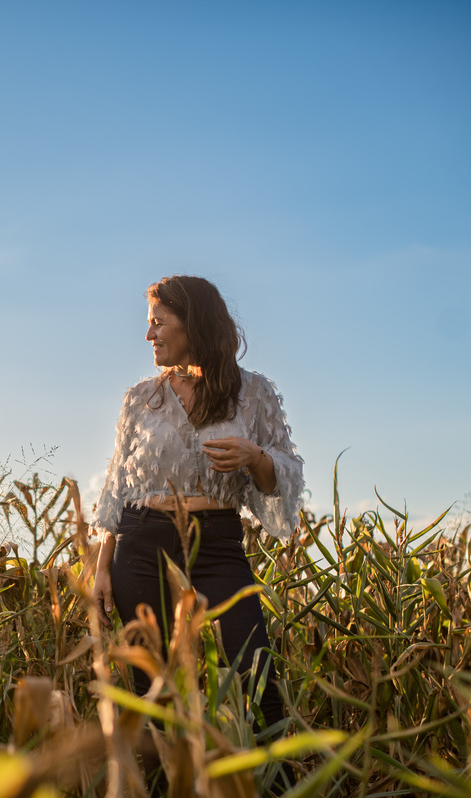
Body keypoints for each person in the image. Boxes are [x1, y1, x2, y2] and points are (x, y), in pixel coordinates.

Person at [91, 274, 303, 733]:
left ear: (195, 325)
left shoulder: (254, 393)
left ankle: (275, 784)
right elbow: (117, 486)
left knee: (255, 675)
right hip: (141, 542)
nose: (148, 335)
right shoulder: (140, 399)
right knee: (154, 690)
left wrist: (255, 456)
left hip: (217, 543)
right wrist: (103, 565)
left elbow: (283, 474)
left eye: (158, 323)